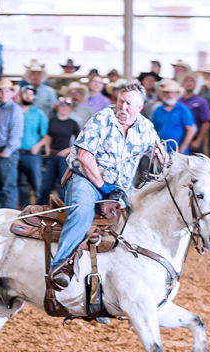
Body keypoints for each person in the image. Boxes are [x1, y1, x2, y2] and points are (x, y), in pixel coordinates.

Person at [48, 83, 165, 288]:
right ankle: (61, 265)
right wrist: (102, 187)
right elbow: (84, 157)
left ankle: (121, 278)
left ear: (139, 107)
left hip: (119, 188)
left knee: (136, 221)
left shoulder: (146, 128)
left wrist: (161, 156)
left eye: (129, 103)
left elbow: (160, 156)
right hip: (85, 179)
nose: (122, 107)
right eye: (120, 101)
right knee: (82, 212)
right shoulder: (102, 119)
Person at [0, 79, 25, 209]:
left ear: (11, 93)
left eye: (7, 91)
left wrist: (7, 151)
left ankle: (7, 217)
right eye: (1, 90)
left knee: (7, 188)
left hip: (6, 154)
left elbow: (16, 133)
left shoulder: (15, 110)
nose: (3, 93)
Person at [39, 98, 82, 204]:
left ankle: (62, 211)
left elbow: (80, 142)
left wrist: (67, 150)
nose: (64, 108)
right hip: (51, 156)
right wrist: (47, 147)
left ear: (70, 109)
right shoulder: (52, 120)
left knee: (63, 186)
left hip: (64, 157)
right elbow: (47, 135)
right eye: (61, 106)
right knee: (46, 185)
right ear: (58, 107)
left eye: (66, 106)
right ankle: (40, 208)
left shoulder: (73, 123)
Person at [16, 84, 48, 207]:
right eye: (26, 93)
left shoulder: (38, 113)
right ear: (20, 95)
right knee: (21, 184)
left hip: (31, 154)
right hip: (15, 153)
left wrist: (38, 146)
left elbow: (45, 135)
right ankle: (24, 211)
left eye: (31, 94)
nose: (28, 96)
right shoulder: (14, 111)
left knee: (38, 184)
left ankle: (41, 211)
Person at [150, 80, 196, 154]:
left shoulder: (183, 110)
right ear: (163, 94)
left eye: (172, 92)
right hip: (162, 150)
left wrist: (182, 149)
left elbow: (190, 130)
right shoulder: (158, 110)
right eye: (167, 92)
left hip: (178, 151)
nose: (170, 95)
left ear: (177, 94)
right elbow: (154, 130)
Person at [177, 73, 210, 155]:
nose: (189, 83)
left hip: (194, 139)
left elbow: (206, 122)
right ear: (182, 83)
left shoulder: (201, 102)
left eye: (192, 81)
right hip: (179, 139)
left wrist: (198, 140)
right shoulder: (177, 101)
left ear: (196, 84)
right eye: (186, 81)